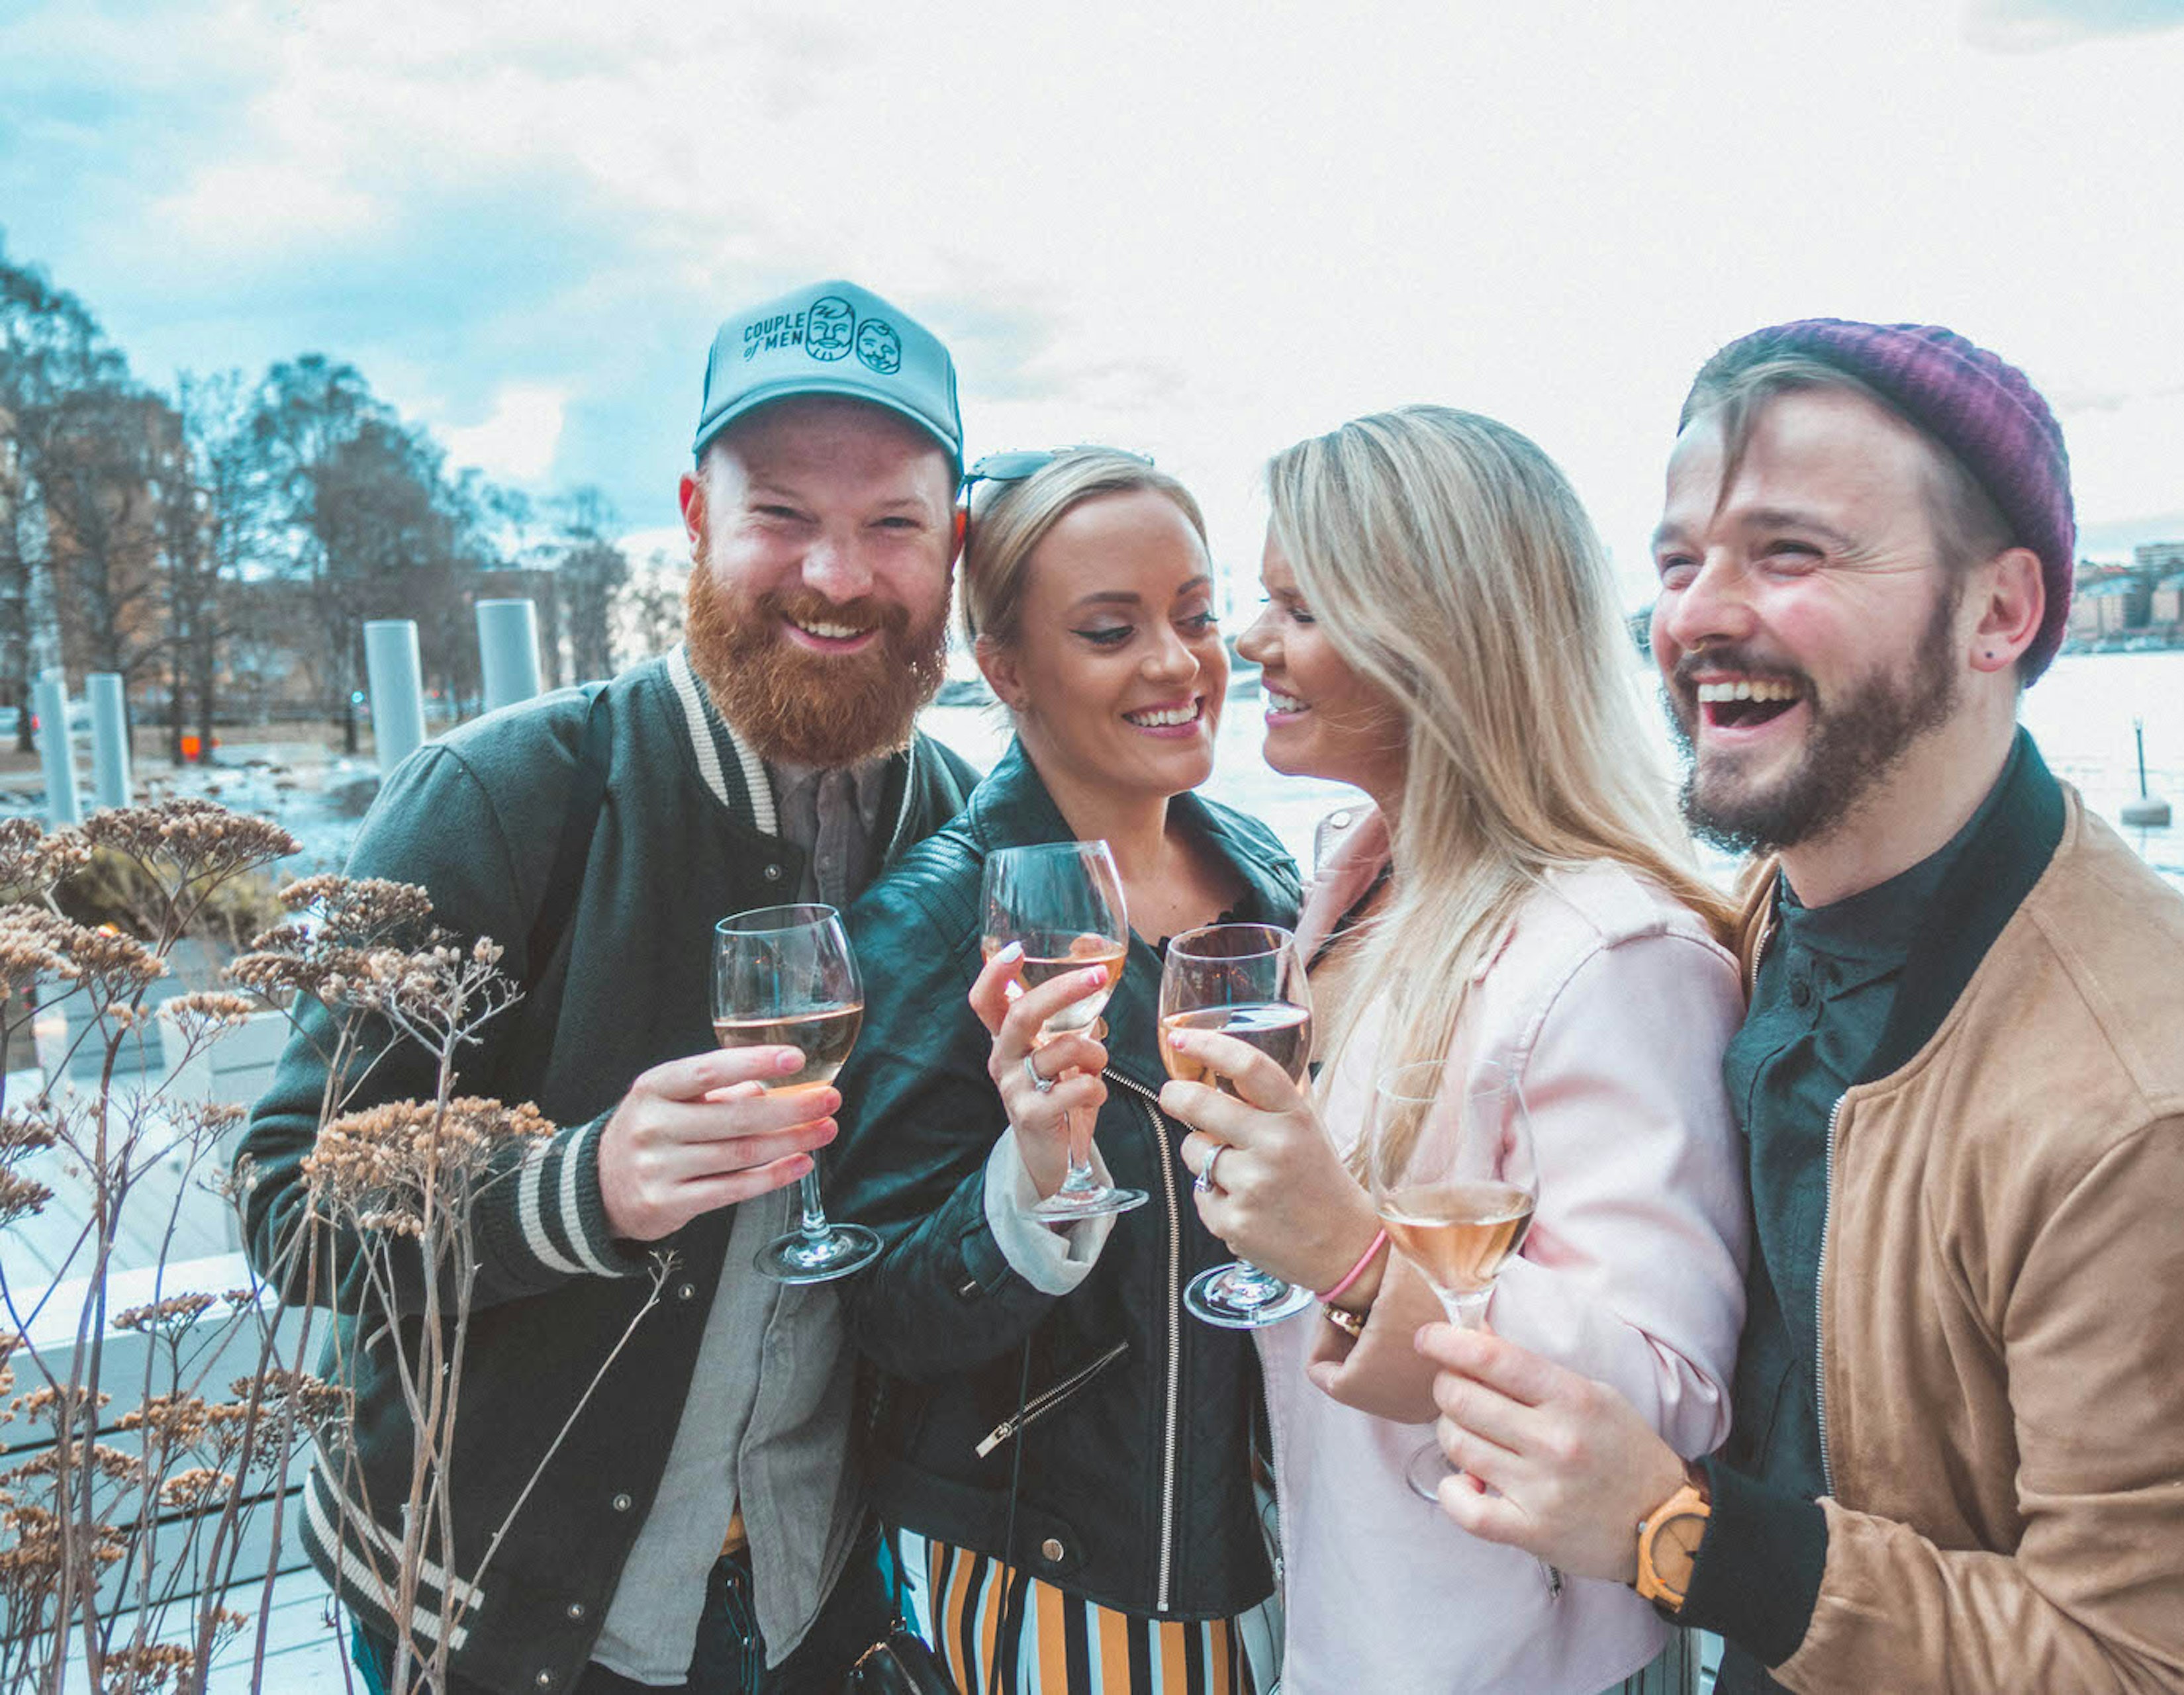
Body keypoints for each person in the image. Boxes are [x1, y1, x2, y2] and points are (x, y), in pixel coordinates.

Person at [1415, 319, 2184, 1692]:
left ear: (2001, 612)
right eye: (1679, 562)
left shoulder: (2178, 1125)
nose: (1699, 614)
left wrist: (1677, 1534)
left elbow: (2156, 1672)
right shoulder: (1783, 915)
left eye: (1792, 554)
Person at [238, 277, 981, 1694]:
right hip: (502, 1608)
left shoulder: (959, 822)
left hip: (827, 1582)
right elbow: (290, 1204)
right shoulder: (500, 796)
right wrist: (583, 1191)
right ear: (696, 522)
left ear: (954, 544)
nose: (836, 574)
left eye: (891, 522)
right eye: (781, 515)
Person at [1157, 406, 1752, 1694]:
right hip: (1348, 1602)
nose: (1249, 641)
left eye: (1301, 608)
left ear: (1435, 640)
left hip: (1511, 1658)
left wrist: (1349, 1254)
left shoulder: (1613, 957)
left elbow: (1668, 1395)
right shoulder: (1361, 889)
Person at [832, 449, 1300, 1692]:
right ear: (1006, 668)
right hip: (1079, 1571)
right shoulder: (935, 925)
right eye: (1111, 629)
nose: (1178, 663)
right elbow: (881, 1304)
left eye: (1197, 616)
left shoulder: (1263, 870)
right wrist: (1031, 1176)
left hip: (1298, 1537)